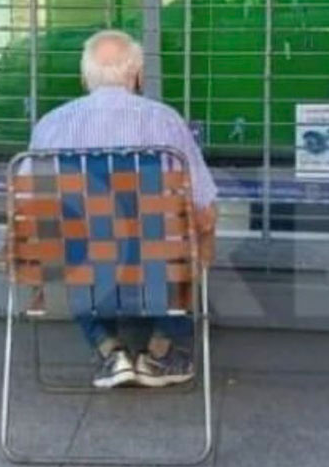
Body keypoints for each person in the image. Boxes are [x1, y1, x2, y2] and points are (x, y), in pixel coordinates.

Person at [28, 30, 218, 389]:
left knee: (63, 242)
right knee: (194, 235)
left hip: (79, 270)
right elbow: (204, 209)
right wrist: (203, 246)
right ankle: (161, 350)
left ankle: (108, 349)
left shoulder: (51, 125)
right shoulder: (165, 121)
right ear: (138, 76)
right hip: (156, 269)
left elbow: (33, 212)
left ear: (85, 77)